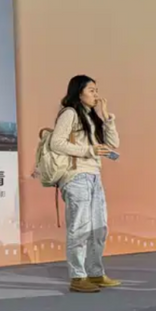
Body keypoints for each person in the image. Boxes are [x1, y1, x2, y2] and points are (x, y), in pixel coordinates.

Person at [50, 75, 121, 293]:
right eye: (91, 90)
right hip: (76, 176)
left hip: (94, 176)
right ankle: (78, 276)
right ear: (78, 92)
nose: (96, 95)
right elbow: (56, 143)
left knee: (99, 228)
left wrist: (107, 118)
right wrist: (89, 150)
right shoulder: (70, 113)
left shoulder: (92, 117)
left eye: (96, 90)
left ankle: (95, 272)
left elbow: (114, 143)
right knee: (80, 228)